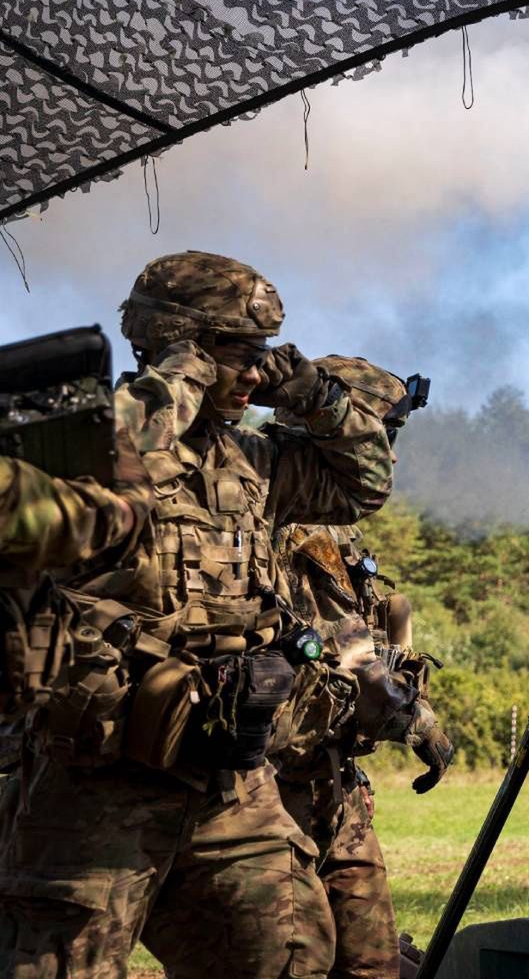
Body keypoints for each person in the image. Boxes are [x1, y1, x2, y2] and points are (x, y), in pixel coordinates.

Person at [0, 250, 395, 979]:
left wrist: (312, 390)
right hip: (98, 779)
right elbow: (123, 446)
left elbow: (365, 486)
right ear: (177, 345)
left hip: (227, 776)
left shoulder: (255, 460)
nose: (253, 374)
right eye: (236, 355)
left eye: (262, 356)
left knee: (290, 955)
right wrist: (182, 371)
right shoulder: (84, 437)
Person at [272, 358, 453, 979]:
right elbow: (339, 653)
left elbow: (373, 644)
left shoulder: (333, 539)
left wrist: (412, 710)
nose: (389, 461)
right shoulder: (256, 520)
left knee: (374, 965)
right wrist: (410, 716)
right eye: (379, 439)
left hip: (334, 788)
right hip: (268, 798)